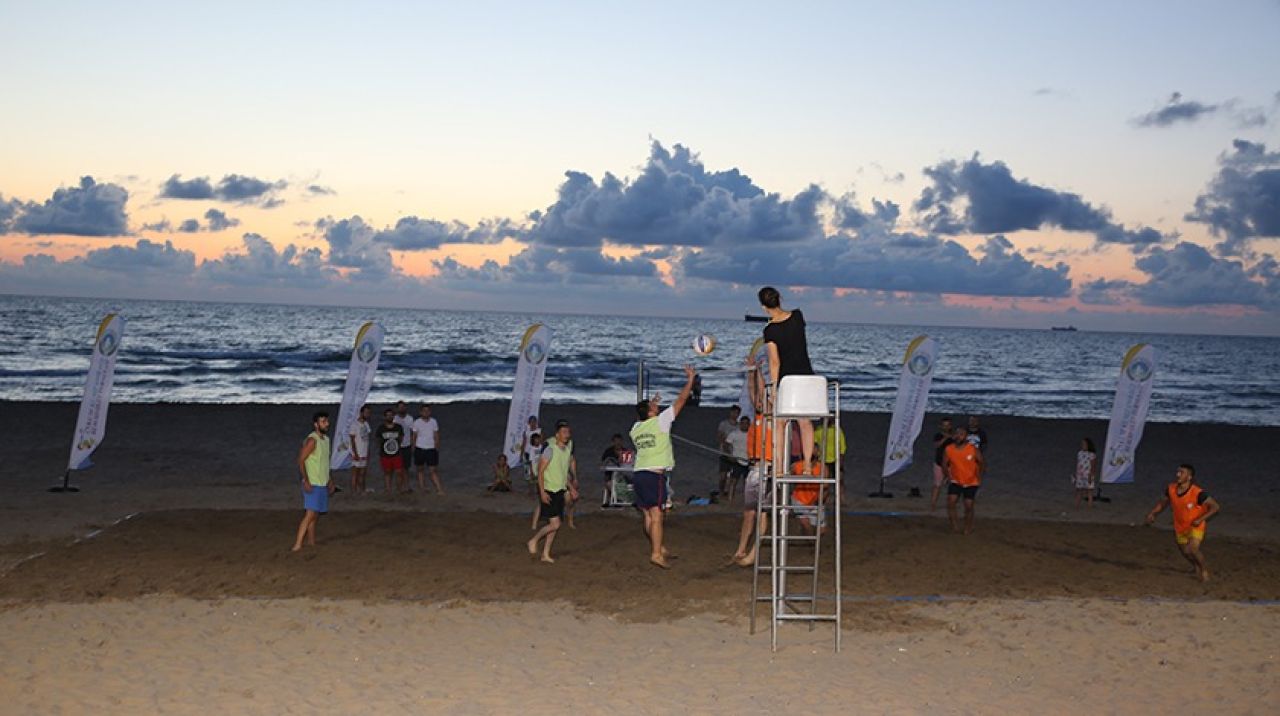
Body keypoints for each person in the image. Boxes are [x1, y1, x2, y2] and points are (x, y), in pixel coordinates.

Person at [630, 365, 697, 569]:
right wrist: (690, 380)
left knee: (648, 515)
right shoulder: (661, 422)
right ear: (651, 411)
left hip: (639, 473)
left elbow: (644, 417)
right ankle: (656, 553)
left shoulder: (635, 428)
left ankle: (658, 547)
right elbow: (681, 400)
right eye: (652, 405)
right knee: (657, 514)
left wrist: (651, 406)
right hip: (653, 474)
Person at [759, 286, 816, 470]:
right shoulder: (798, 316)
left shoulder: (770, 330)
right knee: (805, 422)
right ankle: (807, 465)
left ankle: (779, 466)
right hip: (806, 375)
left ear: (763, 306)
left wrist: (774, 388)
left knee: (780, 423)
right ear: (779, 298)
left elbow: (774, 362)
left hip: (787, 380)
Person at [1146, 464, 1221, 582]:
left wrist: (1200, 519)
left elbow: (1215, 507)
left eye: (1182, 473)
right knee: (1185, 552)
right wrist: (1153, 513)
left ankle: (1204, 570)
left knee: (1193, 549)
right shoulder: (1171, 489)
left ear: (1189, 477)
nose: (1178, 475)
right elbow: (1163, 503)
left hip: (1196, 526)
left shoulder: (1198, 493)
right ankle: (1196, 565)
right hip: (1180, 526)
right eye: (1178, 472)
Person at [527, 419, 577, 563]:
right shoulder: (550, 450)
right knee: (555, 524)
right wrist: (542, 492)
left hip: (560, 490)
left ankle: (545, 554)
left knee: (554, 526)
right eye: (564, 432)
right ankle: (534, 540)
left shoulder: (567, 451)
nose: (567, 434)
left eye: (568, 432)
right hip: (549, 490)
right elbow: (540, 472)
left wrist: (572, 488)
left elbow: (563, 473)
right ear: (557, 435)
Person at [733, 407, 773, 566]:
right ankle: (741, 549)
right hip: (754, 468)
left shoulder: (772, 420)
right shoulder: (756, 419)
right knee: (749, 512)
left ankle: (753, 554)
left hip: (767, 468)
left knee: (761, 513)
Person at [292, 411, 334, 552]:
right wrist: (306, 480)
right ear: (316, 424)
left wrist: (329, 480)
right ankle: (297, 544)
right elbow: (300, 460)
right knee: (310, 514)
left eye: (326, 421)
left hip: (322, 482)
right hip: (313, 482)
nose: (326, 424)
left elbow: (325, 463)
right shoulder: (312, 440)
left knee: (315, 514)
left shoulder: (326, 440)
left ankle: (311, 541)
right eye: (323, 421)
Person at [943, 424, 984, 534]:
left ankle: (968, 526)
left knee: (968, 505)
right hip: (956, 480)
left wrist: (979, 475)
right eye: (957, 434)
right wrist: (947, 476)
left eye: (961, 434)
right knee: (951, 502)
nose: (958, 436)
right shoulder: (949, 449)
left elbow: (981, 462)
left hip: (971, 481)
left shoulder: (972, 449)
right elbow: (944, 464)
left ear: (966, 436)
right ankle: (954, 526)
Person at [411, 404, 444, 495]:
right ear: (421, 412)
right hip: (420, 448)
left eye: (427, 411)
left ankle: (439, 489)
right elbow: (414, 436)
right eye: (424, 411)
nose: (426, 412)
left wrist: (436, 445)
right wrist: (413, 447)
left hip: (431, 448)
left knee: (433, 470)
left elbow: (436, 434)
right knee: (420, 469)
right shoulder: (417, 422)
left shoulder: (433, 421)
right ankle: (422, 488)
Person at [790, 454, 826, 535]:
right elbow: (788, 474)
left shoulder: (822, 468)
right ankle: (811, 543)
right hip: (799, 499)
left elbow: (825, 488)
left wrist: (820, 500)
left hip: (815, 500)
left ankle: (811, 537)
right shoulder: (797, 465)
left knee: (822, 530)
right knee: (805, 522)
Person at [815, 419, 847, 504]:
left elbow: (842, 448)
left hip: (833, 459)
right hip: (824, 460)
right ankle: (824, 499)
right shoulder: (820, 430)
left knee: (837, 481)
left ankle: (839, 499)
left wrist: (841, 460)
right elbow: (815, 445)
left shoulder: (836, 430)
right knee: (827, 482)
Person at [377, 408, 407, 494]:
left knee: (399, 472)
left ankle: (399, 489)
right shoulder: (381, 428)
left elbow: (401, 438)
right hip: (385, 454)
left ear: (393, 416)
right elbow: (378, 439)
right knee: (387, 472)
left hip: (396, 453)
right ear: (385, 417)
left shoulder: (398, 427)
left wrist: (396, 446)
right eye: (388, 415)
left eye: (391, 415)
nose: (389, 417)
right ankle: (388, 489)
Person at [929, 417, 955, 511]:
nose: (946, 427)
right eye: (944, 425)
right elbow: (937, 445)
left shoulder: (954, 436)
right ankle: (933, 504)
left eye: (948, 425)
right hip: (939, 463)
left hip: (951, 464)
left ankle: (951, 504)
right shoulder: (938, 435)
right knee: (937, 484)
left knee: (953, 485)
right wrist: (945, 438)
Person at [716, 406, 742, 498]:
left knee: (734, 476)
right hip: (725, 453)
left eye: (737, 413)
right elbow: (720, 437)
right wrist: (727, 450)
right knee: (722, 475)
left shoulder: (739, 425)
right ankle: (721, 491)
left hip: (736, 453)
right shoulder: (724, 424)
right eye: (733, 412)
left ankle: (730, 493)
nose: (735, 415)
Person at [724, 415, 750, 502]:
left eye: (747, 424)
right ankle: (730, 499)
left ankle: (746, 500)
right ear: (740, 424)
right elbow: (727, 444)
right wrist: (730, 455)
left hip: (748, 460)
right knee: (734, 480)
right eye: (743, 423)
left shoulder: (752, 434)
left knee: (747, 482)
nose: (745, 425)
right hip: (736, 460)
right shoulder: (734, 434)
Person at [349, 404, 372, 495]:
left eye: (369, 413)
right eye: (366, 412)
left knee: (363, 472)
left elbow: (367, 439)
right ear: (361, 413)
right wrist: (355, 453)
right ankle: (354, 490)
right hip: (357, 452)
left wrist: (368, 452)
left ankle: (362, 489)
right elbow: (352, 440)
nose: (367, 414)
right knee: (356, 472)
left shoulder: (366, 424)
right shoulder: (354, 424)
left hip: (364, 451)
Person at [527, 432, 546, 528]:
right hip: (536, 472)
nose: (537, 441)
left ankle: (544, 516)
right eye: (536, 440)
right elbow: (531, 462)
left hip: (542, 472)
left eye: (538, 439)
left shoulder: (542, 447)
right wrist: (531, 473)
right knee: (541, 494)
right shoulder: (532, 450)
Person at [1073, 437, 1099, 507]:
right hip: (1080, 474)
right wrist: (1076, 475)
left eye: (1084, 444)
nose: (1083, 445)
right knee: (1079, 490)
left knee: (1089, 491)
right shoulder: (1080, 453)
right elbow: (1078, 464)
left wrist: (1091, 475)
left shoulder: (1092, 455)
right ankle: (1076, 505)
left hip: (1088, 474)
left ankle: (1089, 506)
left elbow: (1093, 466)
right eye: (1082, 444)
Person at [519, 415, 542, 483]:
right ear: (529, 423)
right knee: (527, 470)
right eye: (531, 422)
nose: (533, 423)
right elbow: (524, 443)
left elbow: (542, 442)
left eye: (534, 422)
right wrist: (521, 454)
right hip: (527, 452)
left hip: (536, 452)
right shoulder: (526, 432)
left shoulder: (539, 431)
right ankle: (530, 488)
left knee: (537, 469)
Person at [394, 401, 414, 475]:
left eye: (403, 407)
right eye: (400, 407)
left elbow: (412, 432)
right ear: (397, 409)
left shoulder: (410, 418)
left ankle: (406, 485)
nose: (401, 409)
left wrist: (412, 445)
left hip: (407, 445)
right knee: (398, 468)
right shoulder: (394, 419)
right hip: (397, 446)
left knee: (406, 467)